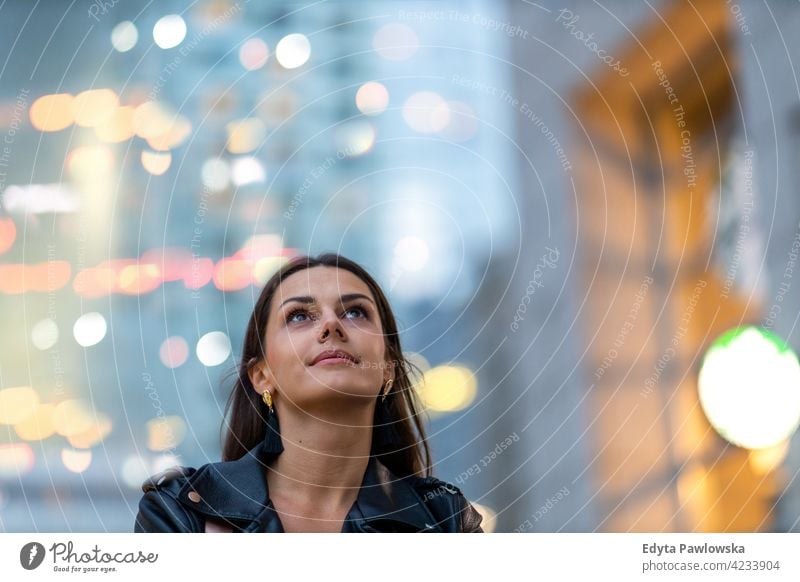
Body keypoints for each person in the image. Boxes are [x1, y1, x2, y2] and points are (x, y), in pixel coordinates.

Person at [134, 253, 484, 533]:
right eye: (299, 316)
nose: (331, 324)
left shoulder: (443, 520)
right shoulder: (182, 511)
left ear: (388, 370)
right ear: (261, 376)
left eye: (355, 312)